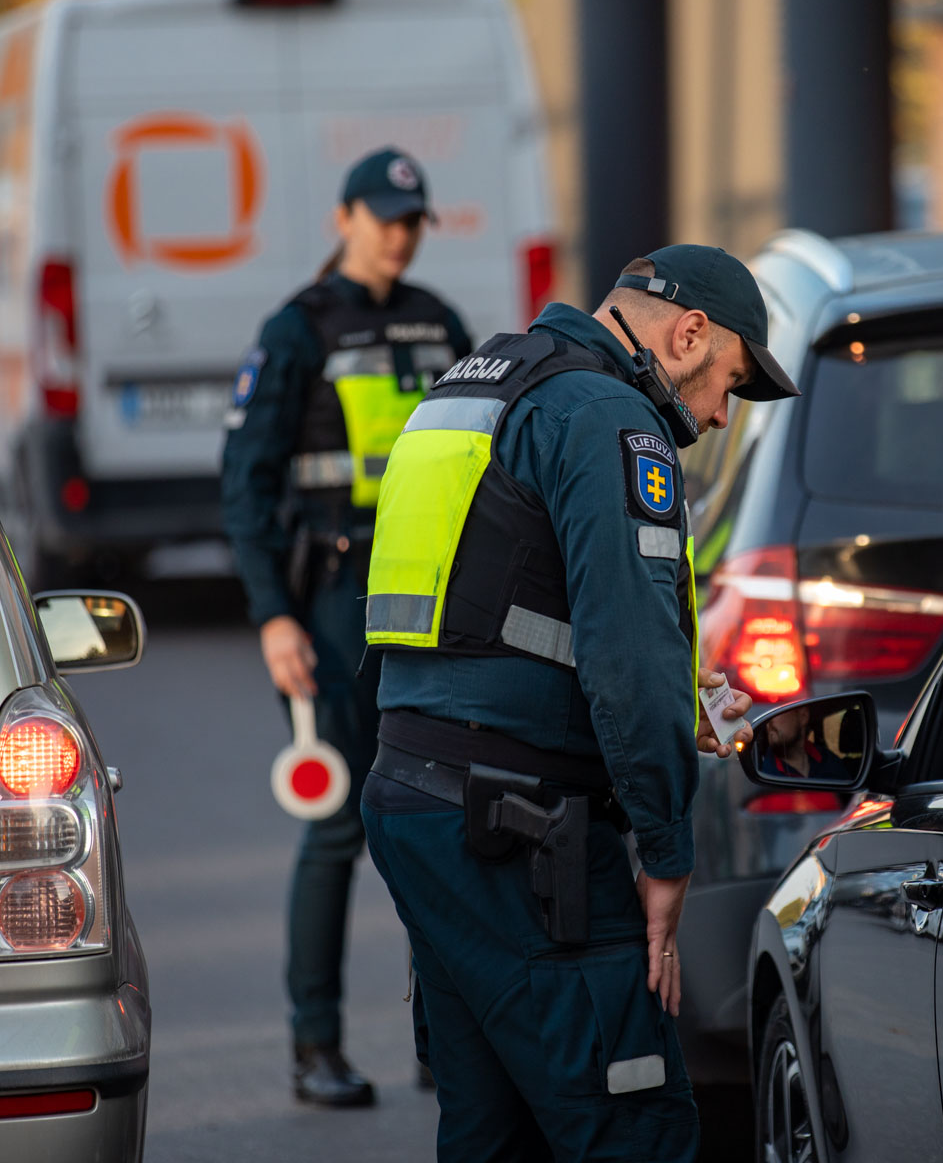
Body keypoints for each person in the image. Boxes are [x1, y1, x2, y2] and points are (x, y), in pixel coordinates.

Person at [359, 244, 799, 1160]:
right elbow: (627, 661)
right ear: (687, 333)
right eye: (728, 384)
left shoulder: (475, 386)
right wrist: (668, 860)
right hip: (521, 838)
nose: (720, 416)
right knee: (631, 1128)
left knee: (492, 1131)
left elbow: (492, 618)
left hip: (419, 806)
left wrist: (675, 693)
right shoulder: (611, 418)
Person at [221, 147, 472, 1107]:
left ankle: (440, 1039)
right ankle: (313, 1046)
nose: (400, 233)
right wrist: (272, 616)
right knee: (337, 828)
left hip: (438, 600)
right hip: (332, 599)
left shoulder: (438, 321)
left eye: (412, 219)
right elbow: (245, 486)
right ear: (345, 217)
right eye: (384, 216)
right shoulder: (298, 330)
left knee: (436, 823)